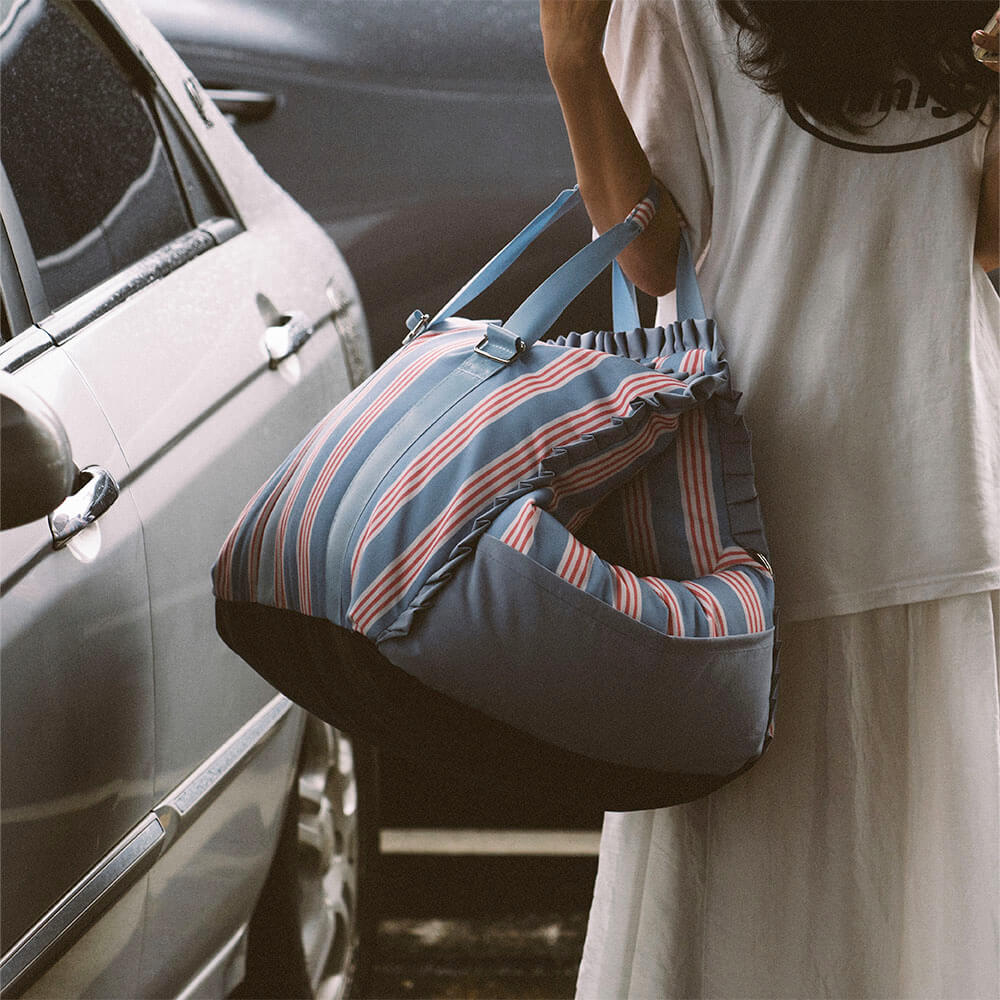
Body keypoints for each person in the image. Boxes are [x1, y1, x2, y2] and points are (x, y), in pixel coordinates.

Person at [539, 1, 1000, 997]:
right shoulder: (678, 9)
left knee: (936, 920)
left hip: (938, 493)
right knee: (741, 926)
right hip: (750, 521)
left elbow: (991, 241)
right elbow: (647, 254)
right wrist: (572, 57)